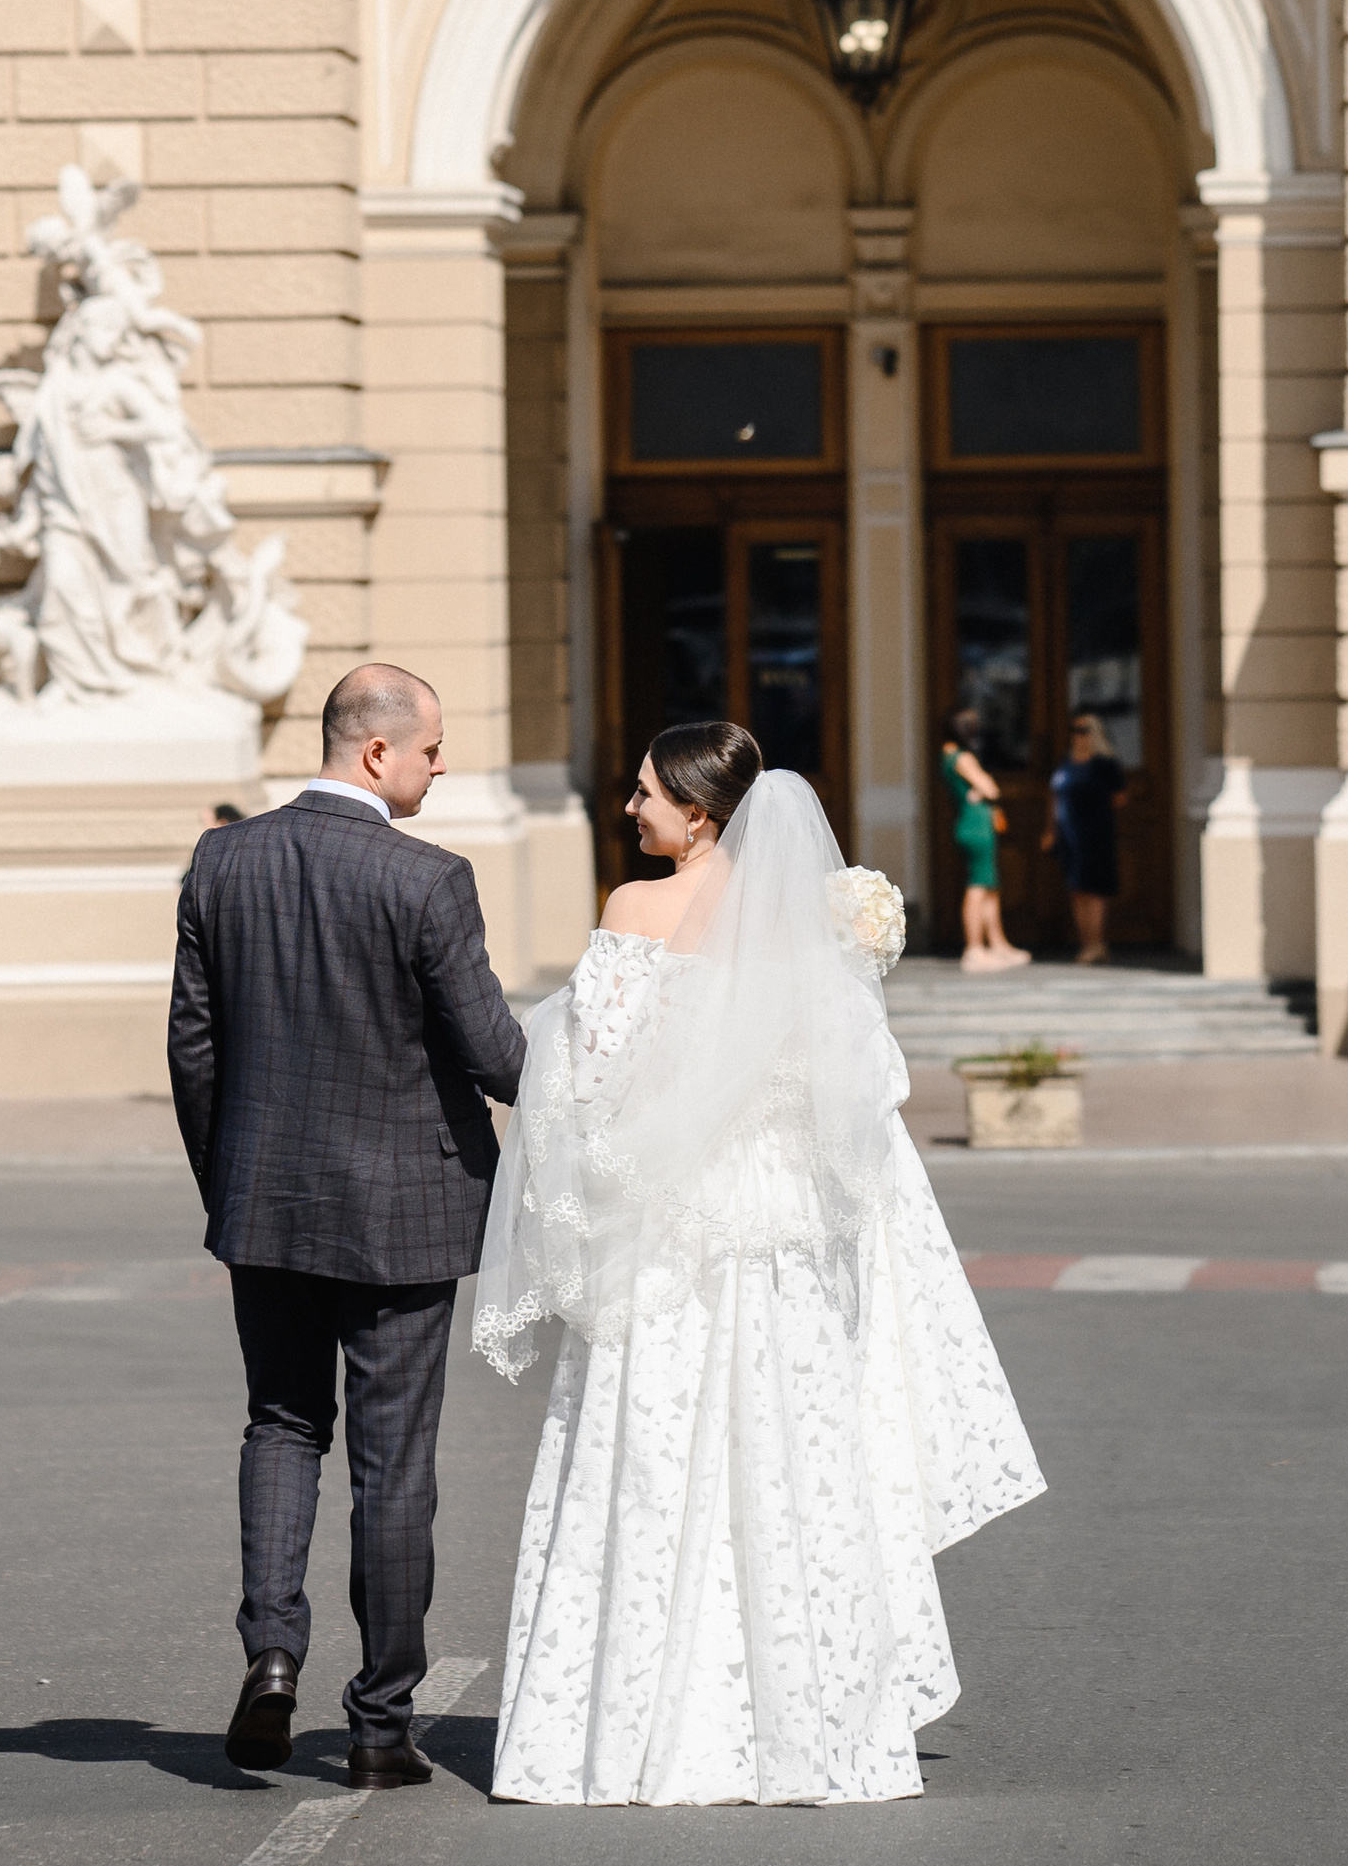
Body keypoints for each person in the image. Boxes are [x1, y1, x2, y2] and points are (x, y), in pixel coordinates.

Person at [474, 722, 1045, 1804]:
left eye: (644, 793)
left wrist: (598, 1162)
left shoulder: (635, 910)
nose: (629, 808)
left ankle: (638, 1729)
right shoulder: (801, 928)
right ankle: (812, 1726)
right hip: (777, 1234)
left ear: (698, 811)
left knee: (652, 1458)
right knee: (790, 1459)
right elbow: (855, 1094)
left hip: (666, 1235)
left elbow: (593, 1079)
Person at [167, 664, 527, 1788]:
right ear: (377, 752)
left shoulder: (222, 860)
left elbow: (193, 1045)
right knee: (393, 1464)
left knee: (279, 1425)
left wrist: (231, 1180)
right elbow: (495, 1056)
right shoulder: (428, 879)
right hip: (406, 1212)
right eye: (431, 747)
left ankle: (271, 1650)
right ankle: (380, 1724)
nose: (440, 765)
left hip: (264, 1202)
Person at [937, 714, 1029, 971]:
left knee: (989, 885)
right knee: (978, 886)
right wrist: (984, 787)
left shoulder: (948, 756)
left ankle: (998, 944)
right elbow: (991, 789)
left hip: (974, 823)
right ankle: (975, 948)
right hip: (975, 826)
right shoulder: (962, 757)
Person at [1046, 710, 1131, 964]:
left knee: (1094, 890)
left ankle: (1096, 943)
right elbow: (1054, 797)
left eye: (1083, 730)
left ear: (1095, 733)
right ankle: (1086, 942)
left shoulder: (1104, 764)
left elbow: (1119, 797)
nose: (1077, 736)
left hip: (1095, 834)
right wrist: (1050, 830)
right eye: (1074, 730)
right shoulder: (1066, 763)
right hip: (1069, 836)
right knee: (1076, 889)